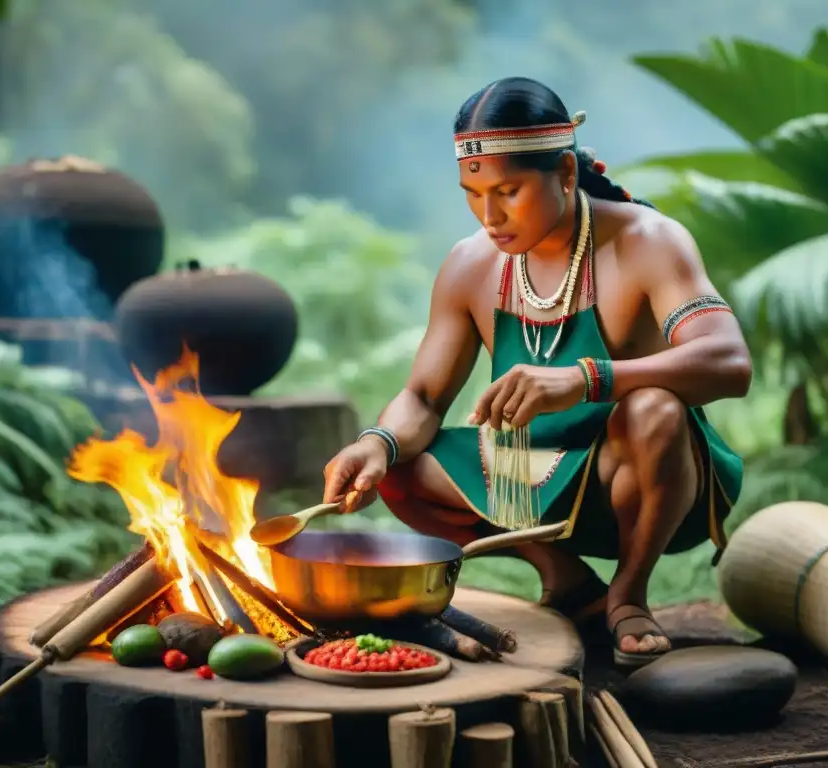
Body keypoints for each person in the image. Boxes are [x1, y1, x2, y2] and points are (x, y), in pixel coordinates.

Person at [322, 77, 751, 668]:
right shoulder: (470, 263)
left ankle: (627, 594)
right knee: (400, 464)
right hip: (530, 479)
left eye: (508, 190)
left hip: (637, 477)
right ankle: (569, 583)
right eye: (473, 193)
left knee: (655, 408)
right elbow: (422, 397)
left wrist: (587, 378)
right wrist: (376, 443)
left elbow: (730, 362)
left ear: (567, 176)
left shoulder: (648, 241)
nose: (489, 214)